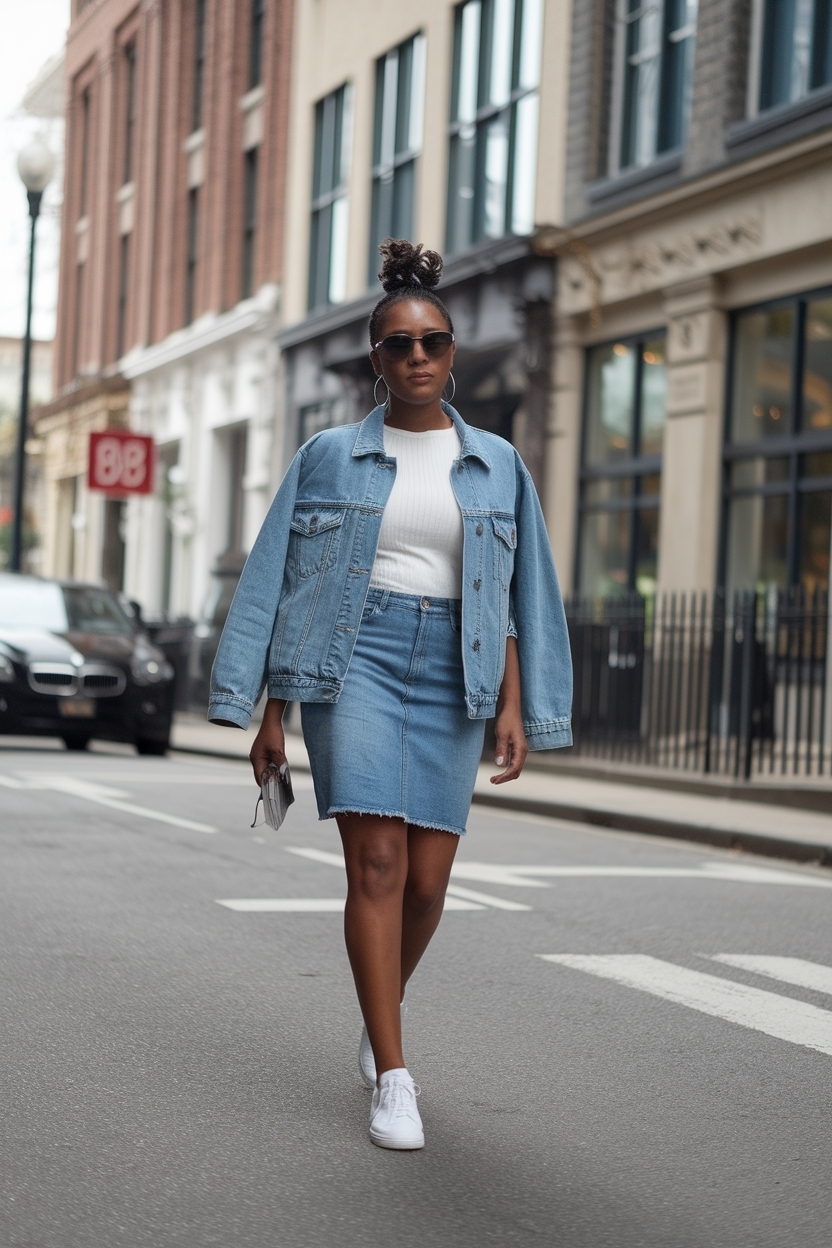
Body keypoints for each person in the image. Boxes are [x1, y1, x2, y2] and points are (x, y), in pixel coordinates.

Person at [209, 239, 572, 1151]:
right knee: (376, 866)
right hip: (354, 660)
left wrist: (517, 705)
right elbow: (277, 580)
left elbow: (518, 594)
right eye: (400, 344)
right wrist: (268, 709)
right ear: (376, 358)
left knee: (429, 884)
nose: (418, 357)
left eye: (433, 342)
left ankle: (381, 1019)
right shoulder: (329, 455)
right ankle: (396, 1077)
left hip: (456, 667)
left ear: (452, 354)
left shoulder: (497, 464)